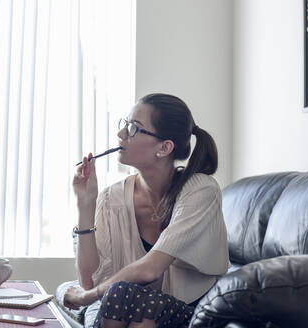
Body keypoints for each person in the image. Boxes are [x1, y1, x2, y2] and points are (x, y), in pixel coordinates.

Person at [63, 93, 229, 328]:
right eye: (125, 124)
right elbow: (90, 281)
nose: (121, 134)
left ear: (164, 148)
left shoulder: (201, 190)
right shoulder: (113, 197)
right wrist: (86, 204)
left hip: (189, 311)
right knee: (122, 296)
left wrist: (84, 298)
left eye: (133, 128)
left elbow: (151, 269)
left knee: (125, 296)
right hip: (129, 306)